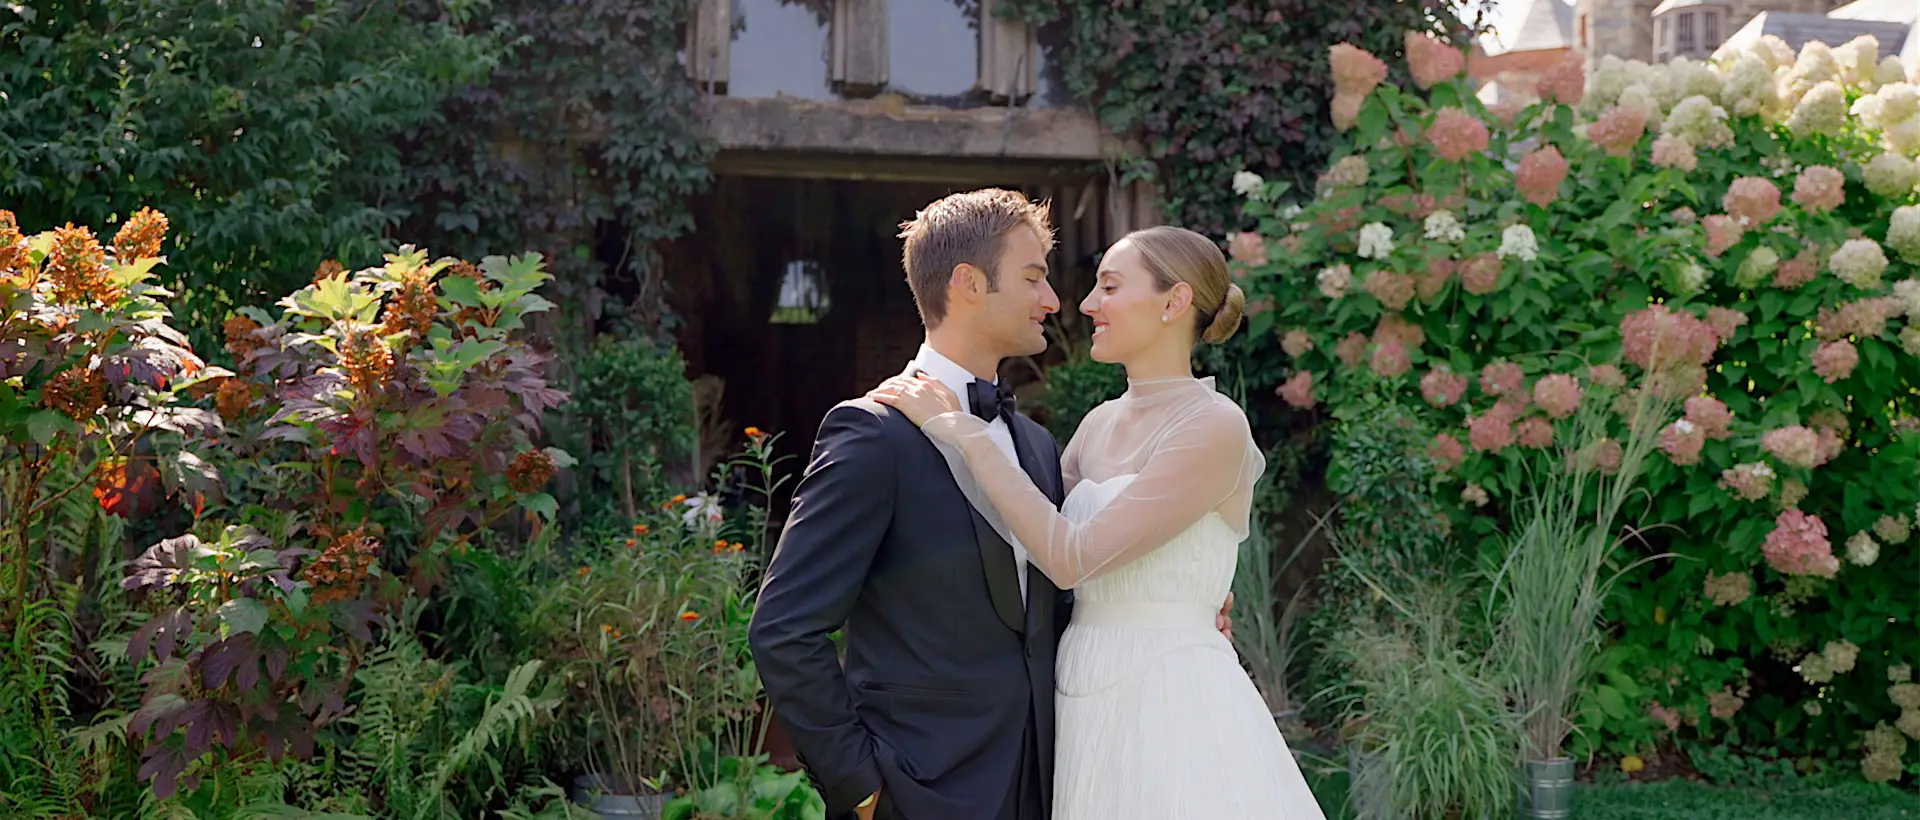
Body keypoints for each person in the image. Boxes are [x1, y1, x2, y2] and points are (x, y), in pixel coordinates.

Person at [748, 190, 1231, 820]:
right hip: (919, 788)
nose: (1055, 302)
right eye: (1033, 278)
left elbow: (1064, 582)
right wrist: (860, 788)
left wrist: (1186, 600)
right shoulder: (873, 433)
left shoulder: (1035, 445)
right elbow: (784, 627)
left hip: (1054, 779)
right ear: (969, 284)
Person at [868, 225, 1326, 819]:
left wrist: (960, 432)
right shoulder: (1096, 425)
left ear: (1174, 302)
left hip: (1170, 698)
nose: (1085, 304)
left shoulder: (1214, 425)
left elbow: (1071, 556)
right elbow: (1026, 542)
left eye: (1109, 286)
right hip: (1079, 691)